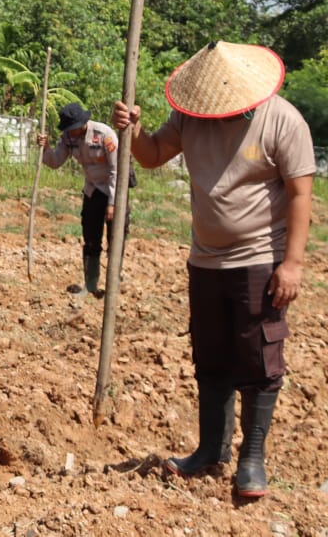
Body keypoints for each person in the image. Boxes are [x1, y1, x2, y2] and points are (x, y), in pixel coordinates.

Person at [111, 41, 315, 500]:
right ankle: (210, 450)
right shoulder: (190, 116)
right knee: (211, 355)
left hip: (260, 259)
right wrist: (136, 130)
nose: (218, 115)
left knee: (259, 359)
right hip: (205, 260)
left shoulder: (281, 119)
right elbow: (153, 154)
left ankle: (252, 458)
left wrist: (293, 264)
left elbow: (300, 194)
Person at [36, 101, 128, 297]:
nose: (71, 133)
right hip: (92, 190)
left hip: (114, 190)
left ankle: (113, 285)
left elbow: (116, 171)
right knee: (91, 240)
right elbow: (55, 162)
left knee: (116, 239)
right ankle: (91, 284)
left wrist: (112, 203)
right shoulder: (69, 138)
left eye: (74, 129)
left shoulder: (104, 135)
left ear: (82, 124)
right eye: (68, 130)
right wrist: (45, 149)